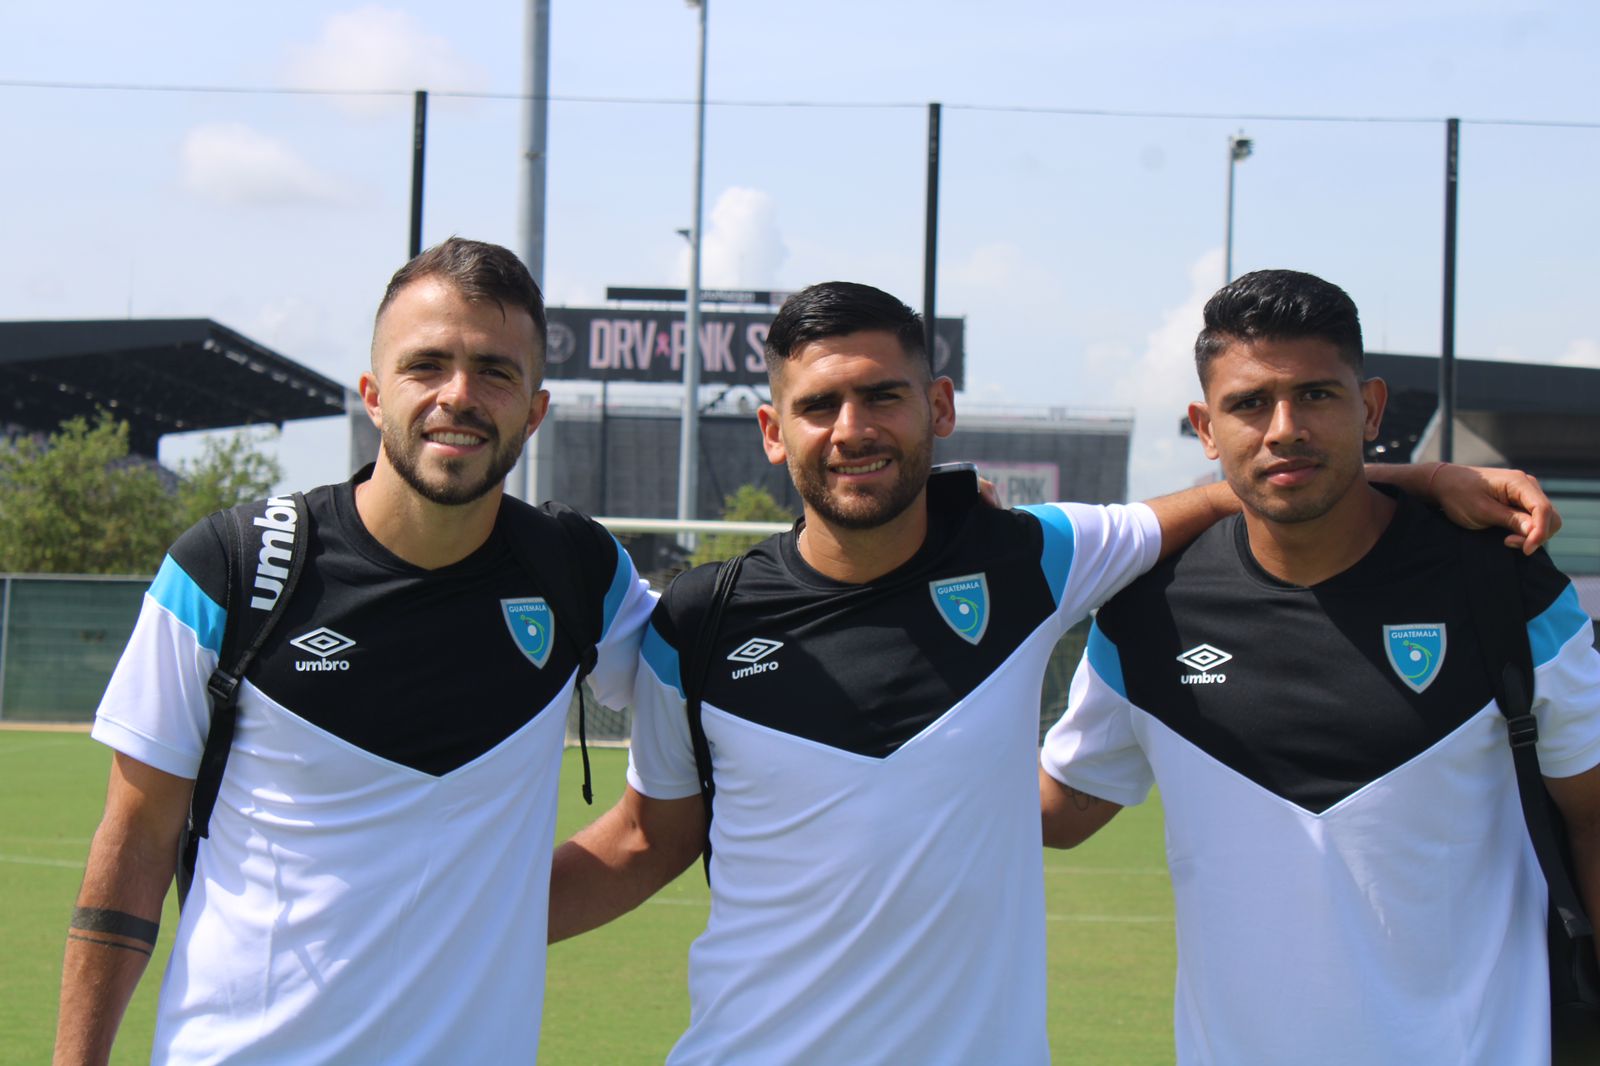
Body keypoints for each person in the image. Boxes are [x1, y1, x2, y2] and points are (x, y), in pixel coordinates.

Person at [548, 280, 1556, 1064]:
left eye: (882, 395)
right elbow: (645, 839)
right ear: (774, 430)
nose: (852, 427)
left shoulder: (1033, 558)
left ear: (937, 406)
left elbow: (1240, 487)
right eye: (819, 405)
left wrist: (1418, 477)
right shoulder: (698, 623)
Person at [54, 238, 655, 1065]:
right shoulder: (233, 569)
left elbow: (682, 782)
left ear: (535, 411)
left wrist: (496, 915)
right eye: (427, 365)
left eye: (495, 371)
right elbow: (134, 843)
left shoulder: (580, 573)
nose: (459, 395)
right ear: (374, 395)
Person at [1040, 269, 1600, 1065]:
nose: (1284, 428)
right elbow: (1062, 810)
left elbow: (1594, 817)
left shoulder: (1501, 582)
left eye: (1317, 396)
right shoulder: (1147, 611)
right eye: (1248, 404)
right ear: (1205, 426)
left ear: (1369, 407)